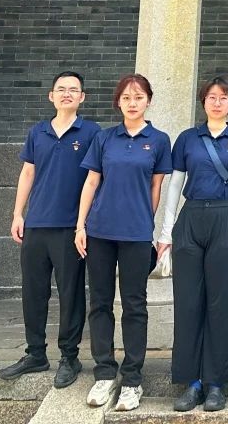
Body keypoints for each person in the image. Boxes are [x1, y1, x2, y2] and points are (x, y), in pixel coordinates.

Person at [155, 76, 228, 413]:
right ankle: (192, 382)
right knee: (188, 304)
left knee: (220, 304)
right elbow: (175, 186)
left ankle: (216, 383)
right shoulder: (188, 138)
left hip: (226, 218)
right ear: (203, 101)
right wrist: (166, 232)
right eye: (212, 97)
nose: (217, 102)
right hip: (191, 219)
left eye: (223, 97)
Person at [74, 74, 172, 413]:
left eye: (139, 97)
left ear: (148, 101)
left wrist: (146, 221)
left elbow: (156, 187)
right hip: (100, 231)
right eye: (127, 97)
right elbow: (91, 182)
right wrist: (80, 226)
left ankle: (132, 379)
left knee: (134, 305)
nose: (132, 103)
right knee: (99, 302)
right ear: (118, 102)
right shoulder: (104, 138)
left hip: (136, 234)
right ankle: (104, 372)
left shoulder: (158, 140)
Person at [0, 71, 101, 388]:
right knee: (33, 291)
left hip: (70, 227)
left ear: (82, 97)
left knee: (70, 293)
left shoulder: (92, 133)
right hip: (36, 224)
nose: (67, 93)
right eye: (61, 89)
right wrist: (18, 214)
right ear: (51, 96)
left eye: (73, 90)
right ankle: (35, 353)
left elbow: (96, 179)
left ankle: (69, 356)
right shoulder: (38, 132)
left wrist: (85, 223)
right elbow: (27, 173)